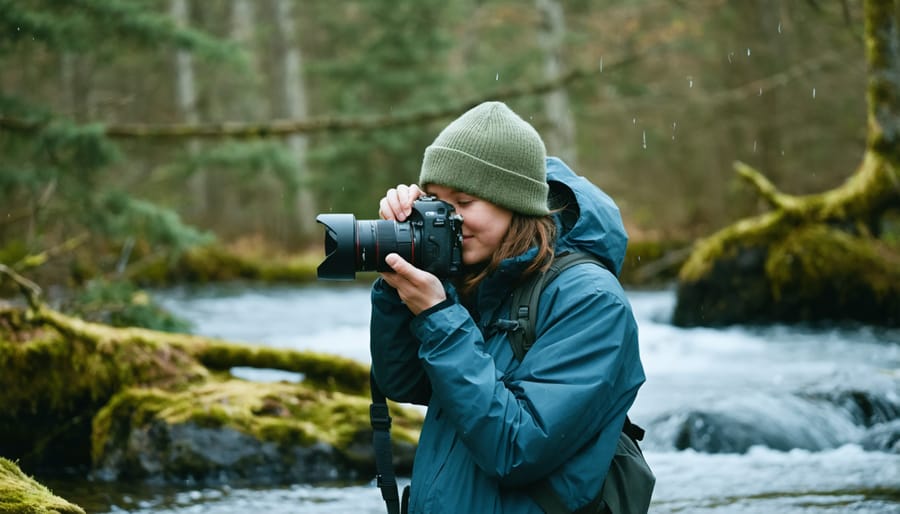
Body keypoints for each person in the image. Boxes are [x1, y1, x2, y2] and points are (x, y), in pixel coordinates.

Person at [370, 100, 645, 513]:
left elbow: (518, 449)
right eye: (435, 202)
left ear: (514, 202)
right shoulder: (475, 273)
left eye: (463, 202)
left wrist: (438, 316)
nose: (448, 219)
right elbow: (404, 382)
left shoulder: (591, 302)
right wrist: (400, 279)